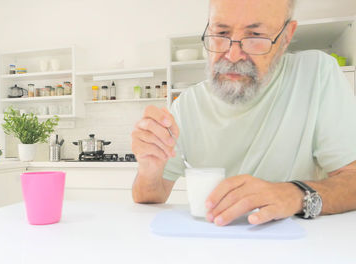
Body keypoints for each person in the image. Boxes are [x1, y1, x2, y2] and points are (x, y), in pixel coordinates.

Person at [131, 0, 356, 226]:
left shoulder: (316, 75)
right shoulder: (187, 105)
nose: (233, 55)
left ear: (287, 36)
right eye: (221, 33)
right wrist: (149, 168)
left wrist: (295, 194)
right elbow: (151, 196)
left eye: (255, 36)